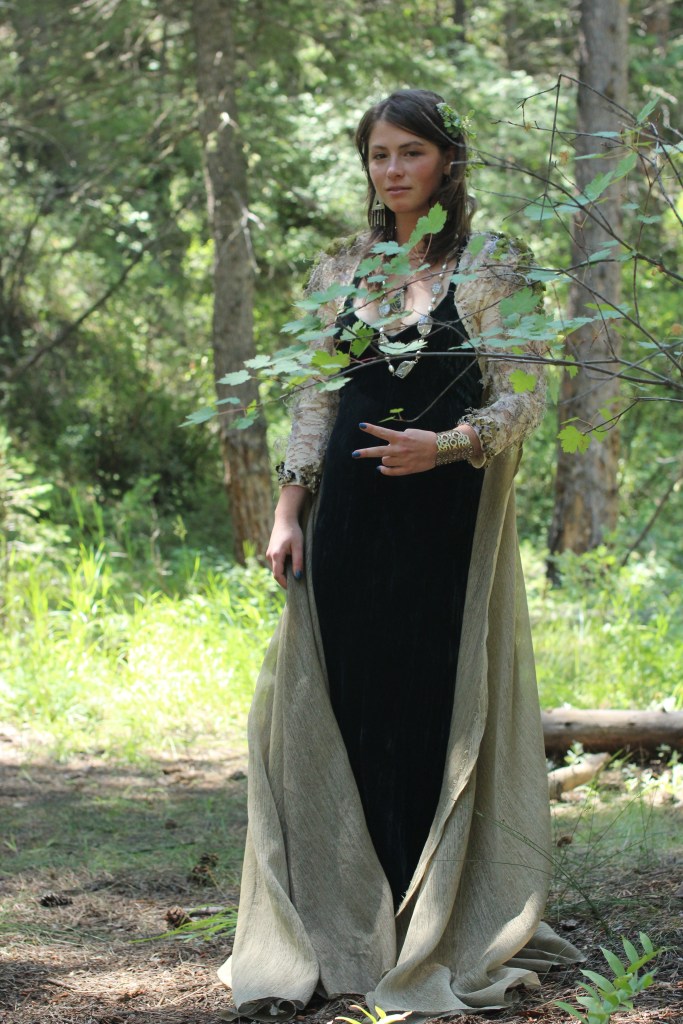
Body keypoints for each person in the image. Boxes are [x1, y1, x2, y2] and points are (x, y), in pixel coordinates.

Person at [218, 88, 580, 1019]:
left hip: (441, 527)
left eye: (409, 151)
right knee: (345, 705)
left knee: (424, 710)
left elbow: (524, 397)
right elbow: (312, 395)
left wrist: (445, 445)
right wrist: (289, 510)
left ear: (447, 160)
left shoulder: (494, 266)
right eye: (378, 154)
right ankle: (339, 923)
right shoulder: (339, 269)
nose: (392, 169)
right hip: (345, 525)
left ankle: (424, 923)